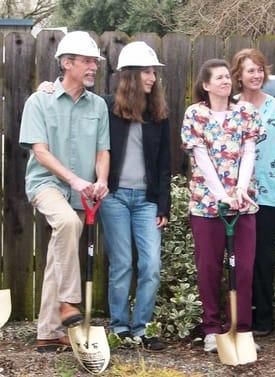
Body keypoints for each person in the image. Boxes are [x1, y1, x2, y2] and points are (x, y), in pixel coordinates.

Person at [19, 31, 110, 353]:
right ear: (66, 63)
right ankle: (69, 303)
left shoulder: (97, 105)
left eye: (95, 62)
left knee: (60, 253)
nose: (93, 67)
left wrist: (102, 180)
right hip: (46, 184)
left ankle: (48, 332)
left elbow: (103, 150)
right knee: (68, 225)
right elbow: (40, 152)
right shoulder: (39, 101)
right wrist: (74, 180)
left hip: (83, 190)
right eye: (86, 61)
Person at [181, 59, 264, 353]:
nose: (226, 81)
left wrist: (240, 190)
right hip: (206, 204)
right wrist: (222, 195)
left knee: (242, 268)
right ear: (206, 85)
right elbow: (200, 159)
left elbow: (250, 152)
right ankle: (212, 329)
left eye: (228, 77)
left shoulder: (246, 112)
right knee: (208, 267)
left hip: (243, 204)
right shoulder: (195, 115)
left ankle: (241, 328)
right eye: (219, 78)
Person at [98, 41, 171, 350]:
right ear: (130, 75)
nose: (152, 77)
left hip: (146, 201)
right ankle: (118, 327)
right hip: (113, 197)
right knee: (123, 263)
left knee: (151, 265)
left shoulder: (159, 115)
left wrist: (163, 204)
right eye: (147, 72)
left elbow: (166, 164)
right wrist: (48, 86)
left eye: (154, 72)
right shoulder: (105, 107)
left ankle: (140, 328)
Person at [230, 48, 275, 337]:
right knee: (238, 258)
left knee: (263, 257)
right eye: (249, 70)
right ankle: (239, 316)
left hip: (269, 194)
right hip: (236, 195)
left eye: (259, 69)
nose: (256, 75)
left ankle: (264, 318)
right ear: (238, 75)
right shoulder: (228, 108)